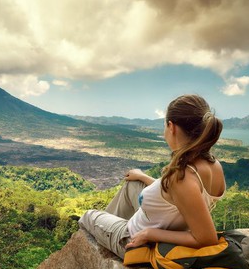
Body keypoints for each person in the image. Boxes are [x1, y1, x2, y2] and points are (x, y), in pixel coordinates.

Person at [78, 94, 225, 259]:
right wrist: (142, 176)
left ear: (171, 127)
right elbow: (177, 198)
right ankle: (110, 228)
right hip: (163, 221)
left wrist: (150, 233)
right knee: (132, 185)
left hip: (135, 238)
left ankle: (111, 236)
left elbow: (207, 238)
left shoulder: (182, 176)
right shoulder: (214, 165)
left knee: (88, 215)